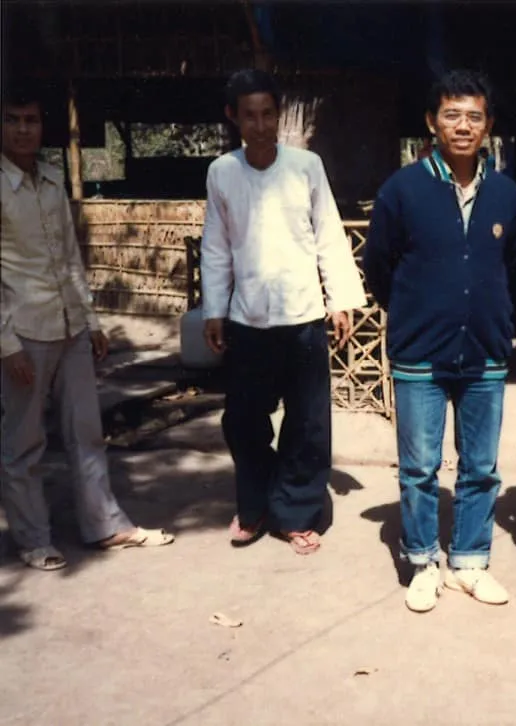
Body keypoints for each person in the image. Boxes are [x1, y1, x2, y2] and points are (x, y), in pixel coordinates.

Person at [362, 70, 516, 613]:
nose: (463, 126)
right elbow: (379, 267)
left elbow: (514, 268)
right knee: (419, 468)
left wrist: (493, 321)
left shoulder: (505, 194)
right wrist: (418, 315)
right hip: (419, 354)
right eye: (451, 115)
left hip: (484, 352)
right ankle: (423, 561)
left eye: (474, 116)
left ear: (489, 126)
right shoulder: (402, 189)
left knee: (481, 466)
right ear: (431, 122)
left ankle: (471, 562)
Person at [1, 83, 174, 571]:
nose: (21, 129)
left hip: (71, 327)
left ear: (42, 126)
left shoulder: (53, 180)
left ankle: (106, 525)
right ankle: (34, 538)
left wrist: (91, 319)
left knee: (86, 431)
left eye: (30, 120)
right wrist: (5, 344)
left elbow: (71, 259)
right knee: (23, 442)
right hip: (23, 332)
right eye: (12, 119)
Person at [201, 69, 366, 555]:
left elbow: (328, 235)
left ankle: (295, 511)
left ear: (279, 114)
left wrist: (339, 301)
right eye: (248, 115)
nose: (259, 124)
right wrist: (214, 309)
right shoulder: (222, 172)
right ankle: (253, 506)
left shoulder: (305, 166)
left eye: (267, 113)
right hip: (248, 319)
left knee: (308, 421)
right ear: (233, 118)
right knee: (244, 421)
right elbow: (216, 247)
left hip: (303, 316)